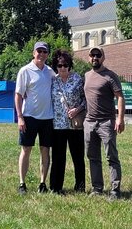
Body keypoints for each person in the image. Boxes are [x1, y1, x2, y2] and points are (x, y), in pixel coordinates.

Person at [84, 46, 125, 201]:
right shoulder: (87, 75)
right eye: (92, 55)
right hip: (89, 122)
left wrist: (120, 118)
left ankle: (115, 190)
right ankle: (97, 188)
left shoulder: (110, 76)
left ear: (103, 57)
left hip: (106, 122)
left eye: (98, 55)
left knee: (111, 157)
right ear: (89, 57)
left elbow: (120, 97)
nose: (95, 57)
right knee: (92, 157)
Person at [15, 41, 55, 195]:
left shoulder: (50, 72)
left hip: (47, 118)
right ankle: (22, 184)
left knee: (45, 150)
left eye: (44, 52)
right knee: (26, 149)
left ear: (47, 55)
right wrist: (20, 117)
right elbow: (18, 95)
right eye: (39, 51)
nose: (41, 54)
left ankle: (42, 183)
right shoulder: (25, 71)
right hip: (29, 117)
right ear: (33, 53)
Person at [49, 50, 86, 194]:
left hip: (75, 126)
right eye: (59, 65)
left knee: (78, 157)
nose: (62, 68)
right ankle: (56, 187)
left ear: (69, 65)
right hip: (58, 125)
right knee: (58, 158)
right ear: (55, 66)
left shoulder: (77, 79)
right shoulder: (53, 80)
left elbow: (86, 99)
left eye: (65, 65)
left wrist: (77, 109)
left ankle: (80, 187)